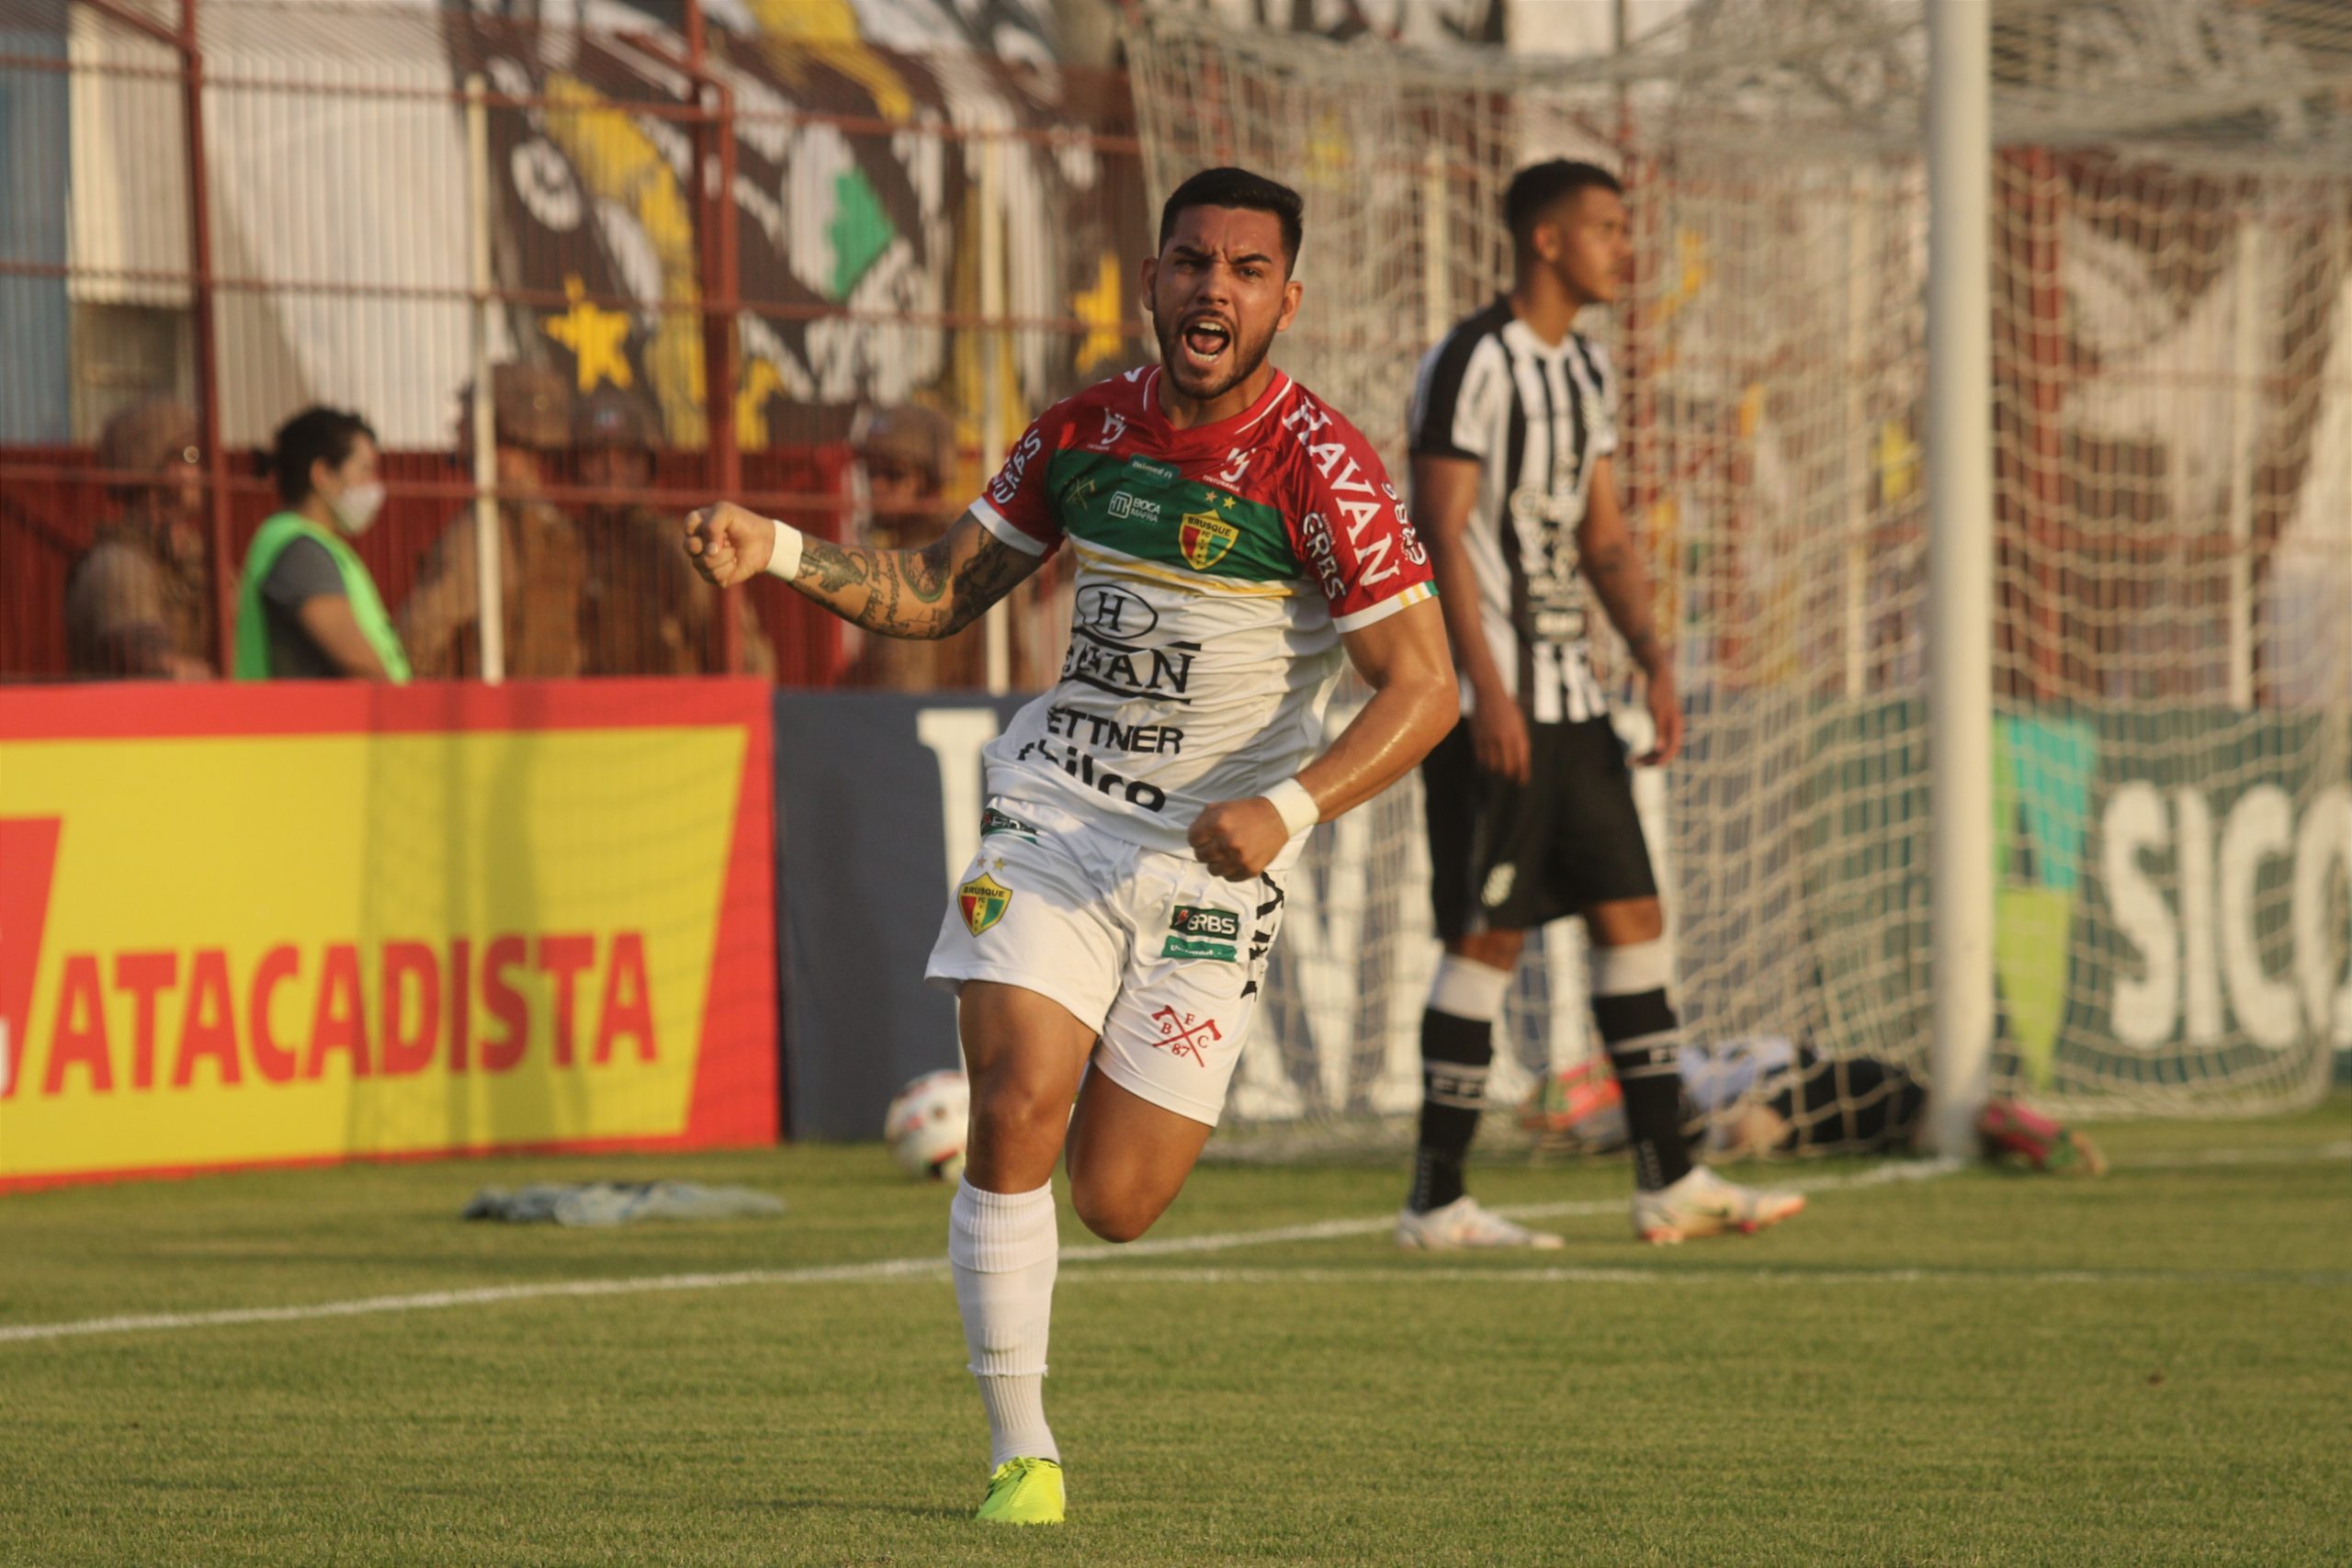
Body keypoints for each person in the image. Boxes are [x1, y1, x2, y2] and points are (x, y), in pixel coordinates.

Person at [685, 166, 1452, 1526]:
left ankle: (1107, 1062)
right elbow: (933, 591)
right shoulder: (1084, 433)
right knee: (1017, 1095)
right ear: (1152, 280)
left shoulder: (1319, 466)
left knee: (1117, 1198)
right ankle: (1019, 1447)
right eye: (1191, 261)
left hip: (1215, 865)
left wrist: (1285, 810)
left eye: (1246, 268)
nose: (1214, 287)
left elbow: (1425, 686)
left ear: (1287, 297)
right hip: (1058, 813)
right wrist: (782, 547)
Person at [1398, 159, 1801, 1249]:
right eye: (1609, 230)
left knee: (1634, 922)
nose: (1628, 250)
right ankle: (1435, 1201)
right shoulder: (1472, 360)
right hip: (1494, 702)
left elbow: (1604, 532)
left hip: (1574, 702)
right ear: (1545, 240)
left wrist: (1654, 658)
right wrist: (1479, 689)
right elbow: (1437, 530)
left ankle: (1668, 1180)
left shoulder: (1583, 368)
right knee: (1488, 940)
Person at [399, 364, 585, 679]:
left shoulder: (483, 532)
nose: (457, 425)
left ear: (494, 427)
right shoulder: (561, 530)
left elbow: (419, 632)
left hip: (485, 713)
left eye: (467, 414)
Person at [571, 385, 773, 676]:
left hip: (664, 713)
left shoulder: (677, 546)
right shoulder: (560, 544)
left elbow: (747, 659)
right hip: (571, 714)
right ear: (575, 466)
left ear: (649, 466)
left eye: (627, 458)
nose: (611, 470)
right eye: (595, 456)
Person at [233, 406, 410, 681]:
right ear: (323, 474)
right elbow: (358, 662)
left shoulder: (317, 544)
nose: (374, 485)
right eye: (364, 470)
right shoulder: (300, 552)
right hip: (313, 723)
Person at [837, 402, 987, 690]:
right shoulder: (906, 549)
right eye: (872, 473)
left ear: (931, 481)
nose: (877, 487)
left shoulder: (931, 556)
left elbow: (904, 674)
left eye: (894, 475)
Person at [64, 398, 215, 679]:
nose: (203, 470)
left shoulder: (195, 557)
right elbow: (156, 666)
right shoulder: (117, 564)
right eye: (191, 456)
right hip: (128, 720)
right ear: (150, 465)